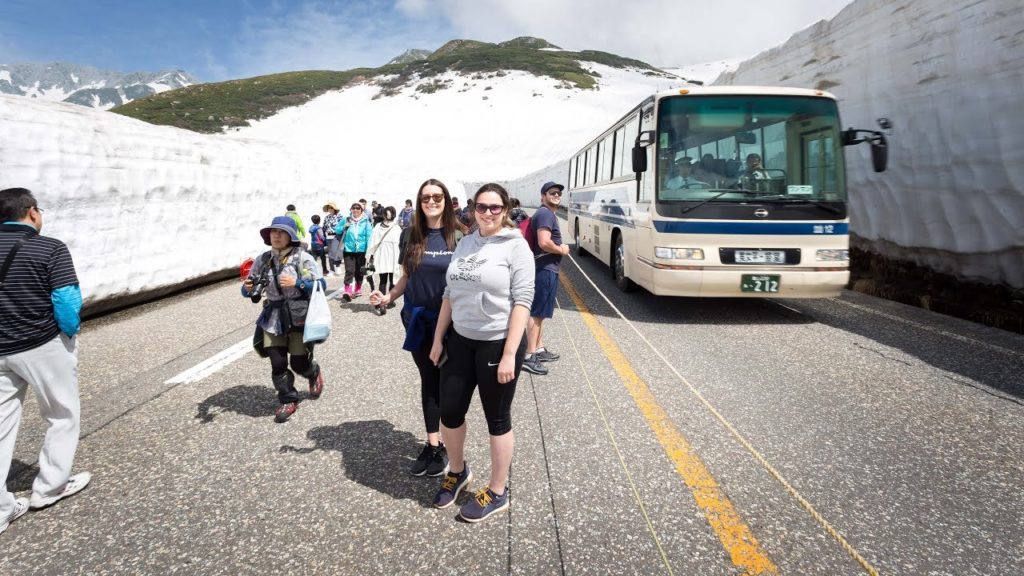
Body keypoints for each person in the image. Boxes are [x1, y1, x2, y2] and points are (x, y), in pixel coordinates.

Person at [429, 182, 534, 523]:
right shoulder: (467, 242)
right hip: (460, 339)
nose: (488, 213)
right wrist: (437, 337)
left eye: (495, 208)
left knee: (497, 419)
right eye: (482, 207)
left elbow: (522, 301)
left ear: (505, 210)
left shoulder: (516, 247)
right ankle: (457, 471)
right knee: (450, 411)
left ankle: (498, 490)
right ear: (473, 209)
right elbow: (449, 292)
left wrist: (509, 354)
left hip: (496, 342)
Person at [0, 187, 91, 535]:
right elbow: (66, 300)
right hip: (40, 344)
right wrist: (70, 333)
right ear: (32, 212)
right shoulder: (49, 247)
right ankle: (49, 488)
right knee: (62, 413)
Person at [369, 180, 462, 477]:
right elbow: (406, 277)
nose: (431, 201)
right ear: (419, 201)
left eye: (437, 197)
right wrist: (389, 296)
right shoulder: (410, 234)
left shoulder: (460, 235)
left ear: (446, 200)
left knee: (450, 385)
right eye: (426, 198)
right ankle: (433, 445)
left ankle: (451, 445)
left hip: (452, 323)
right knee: (428, 380)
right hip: (418, 319)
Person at [241, 216, 326, 423]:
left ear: (290, 236)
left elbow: (321, 285)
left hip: (298, 316)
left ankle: (313, 372)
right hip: (273, 316)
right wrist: (248, 288)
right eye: (273, 232)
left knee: (298, 363)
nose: (276, 236)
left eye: (281, 232)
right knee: (277, 362)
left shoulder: (303, 258)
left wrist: (299, 283)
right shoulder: (262, 260)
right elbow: (247, 290)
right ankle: (288, 399)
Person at [522, 181, 570, 376]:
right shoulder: (545, 213)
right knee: (537, 312)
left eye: (558, 193)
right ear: (543, 196)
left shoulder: (546, 213)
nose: (556, 195)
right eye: (552, 192)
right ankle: (529, 355)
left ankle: (538, 348)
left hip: (546, 268)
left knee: (541, 312)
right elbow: (544, 242)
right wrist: (562, 250)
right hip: (544, 269)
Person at [366, 206, 401, 314]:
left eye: (389, 213)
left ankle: (388, 299)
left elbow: (400, 244)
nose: (388, 215)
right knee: (384, 279)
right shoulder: (379, 227)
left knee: (392, 279)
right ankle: (382, 301)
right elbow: (372, 241)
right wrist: (370, 255)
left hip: (393, 256)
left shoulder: (396, 227)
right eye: (387, 213)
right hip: (383, 255)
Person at [336, 203, 373, 301]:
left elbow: (369, 237)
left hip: (361, 250)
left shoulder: (366, 221)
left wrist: (369, 250)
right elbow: (337, 230)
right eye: (354, 208)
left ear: (361, 210)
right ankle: (347, 290)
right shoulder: (346, 219)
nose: (355, 210)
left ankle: (358, 288)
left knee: (360, 270)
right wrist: (344, 226)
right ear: (351, 209)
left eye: (358, 208)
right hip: (348, 249)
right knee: (349, 270)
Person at [322, 201, 342, 276]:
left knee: (337, 252)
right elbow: (324, 227)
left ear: (334, 209)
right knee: (330, 253)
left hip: (336, 236)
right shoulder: (327, 217)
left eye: (331, 208)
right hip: (328, 237)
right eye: (328, 208)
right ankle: (332, 270)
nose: (330, 209)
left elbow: (342, 227)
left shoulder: (339, 216)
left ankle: (338, 266)